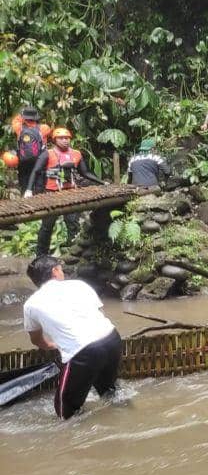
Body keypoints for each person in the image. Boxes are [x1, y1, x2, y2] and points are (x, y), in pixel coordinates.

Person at [22, 255, 122, 419]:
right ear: (55, 271)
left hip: (84, 352)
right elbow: (100, 315)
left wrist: (52, 345)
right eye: (60, 268)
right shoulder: (79, 285)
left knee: (64, 410)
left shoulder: (31, 305)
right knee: (109, 391)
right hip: (111, 339)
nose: (62, 272)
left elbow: (37, 340)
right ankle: (120, 415)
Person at [26, 128, 105, 256]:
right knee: (47, 226)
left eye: (67, 138)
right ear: (55, 140)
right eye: (61, 138)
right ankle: (41, 255)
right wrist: (29, 190)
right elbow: (36, 171)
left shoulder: (76, 154)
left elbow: (85, 172)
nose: (65, 140)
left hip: (71, 193)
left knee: (73, 223)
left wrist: (102, 182)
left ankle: (74, 253)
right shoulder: (47, 154)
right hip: (52, 193)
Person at [10, 106, 51, 194]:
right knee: (39, 183)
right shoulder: (44, 128)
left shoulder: (19, 128)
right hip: (39, 160)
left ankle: (26, 197)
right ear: (36, 117)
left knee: (25, 183)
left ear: (24, 117)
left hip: (23, 162)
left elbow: (15, 120)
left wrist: (22, 114)